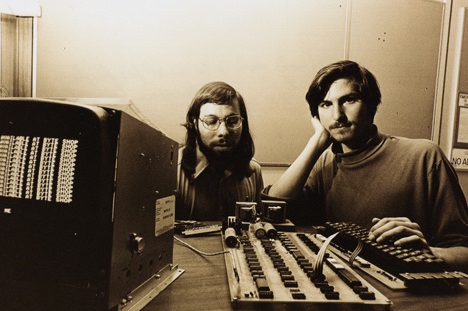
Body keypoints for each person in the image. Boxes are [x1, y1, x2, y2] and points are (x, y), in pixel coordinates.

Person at [263, 60, 468, 271]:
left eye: (349, 100)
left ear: (372, 105)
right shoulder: (325, 163)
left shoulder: (424, 156)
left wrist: (428, 253)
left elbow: (464, 252)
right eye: (326, 104)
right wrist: (316, 143)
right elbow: (273, 208)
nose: (337, 116)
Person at [177, 81, 263, 221]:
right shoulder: (172, 172)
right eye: (211, 121)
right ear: (194, 123)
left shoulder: (253, 172)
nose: (223, 131)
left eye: (233, 121)